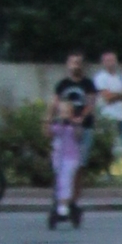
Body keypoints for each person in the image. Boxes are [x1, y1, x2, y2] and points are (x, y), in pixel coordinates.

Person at [46, 52, 93, 227]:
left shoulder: (87, 84)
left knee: (78, 167)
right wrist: (48, 119)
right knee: (60, 169)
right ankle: (61, 200)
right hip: (63, 127)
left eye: (79, 62)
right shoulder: (62, 85)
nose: (76, 65)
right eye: (73, 62)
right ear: (68, 64)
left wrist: (80, 118)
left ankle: (73, 201)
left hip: (83, 128)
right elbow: (54, 104)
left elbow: (91, 103)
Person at [91, 51, 122, 179]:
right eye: (107, 60)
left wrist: (116, 95)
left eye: (112, 60)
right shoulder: (101, 78)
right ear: (103, 63)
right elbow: (107, 97)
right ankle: (107, 173)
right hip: (108, 116)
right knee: (108, 146)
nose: (110, 63)